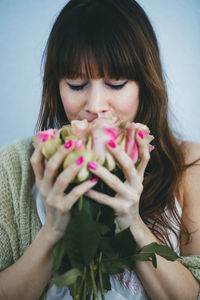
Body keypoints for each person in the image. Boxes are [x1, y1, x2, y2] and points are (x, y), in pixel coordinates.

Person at [0, 0, 200, 299]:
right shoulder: (14, 166)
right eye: (76, 84)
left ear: (144, 84)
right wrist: (53, 229)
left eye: (116, 83)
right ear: (56, 86)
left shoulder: (188, 165)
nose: (94, 107)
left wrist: (131, 221)